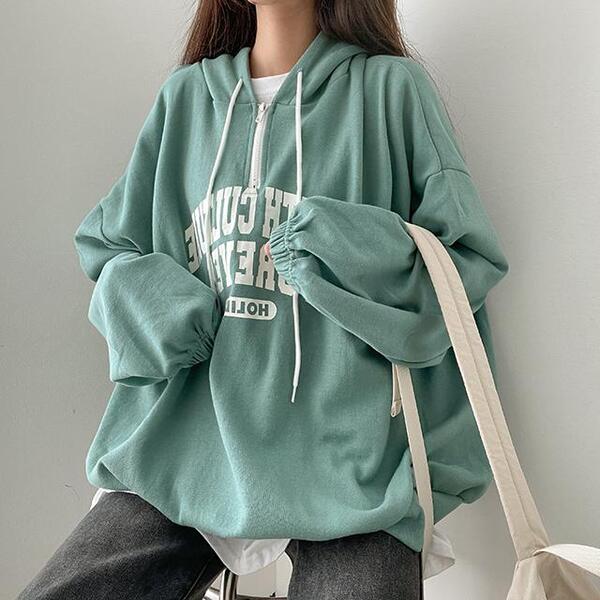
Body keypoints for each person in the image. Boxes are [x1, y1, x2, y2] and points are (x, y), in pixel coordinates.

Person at [17, 0, 510, 598]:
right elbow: (108, 245)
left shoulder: (390, 89)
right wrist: (163, 308)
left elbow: (462, 263)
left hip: (354, 465)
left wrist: (340, 247)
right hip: (186, 450)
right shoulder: (186, 100)